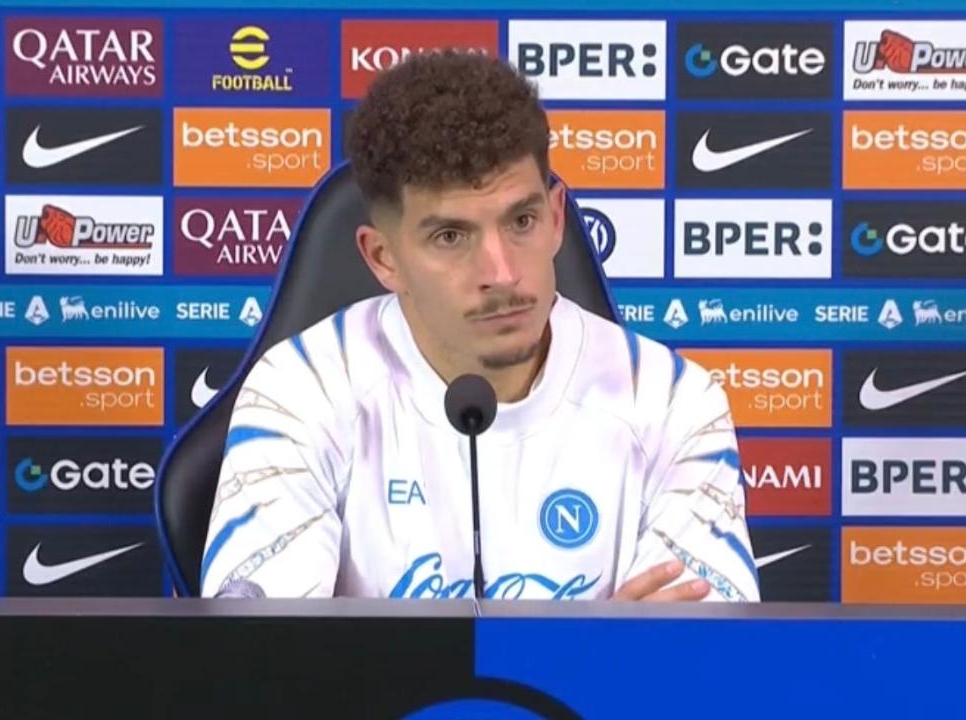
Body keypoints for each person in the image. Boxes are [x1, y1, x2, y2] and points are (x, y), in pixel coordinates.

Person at [200, 50, 759, 602]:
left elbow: (705, 653)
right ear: (383, 259)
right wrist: (600, 645)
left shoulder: (671, 401)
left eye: (522, 220)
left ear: (556, 217)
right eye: (450, 237)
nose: (502, 273)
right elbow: (263, 650)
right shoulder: (302, 389)